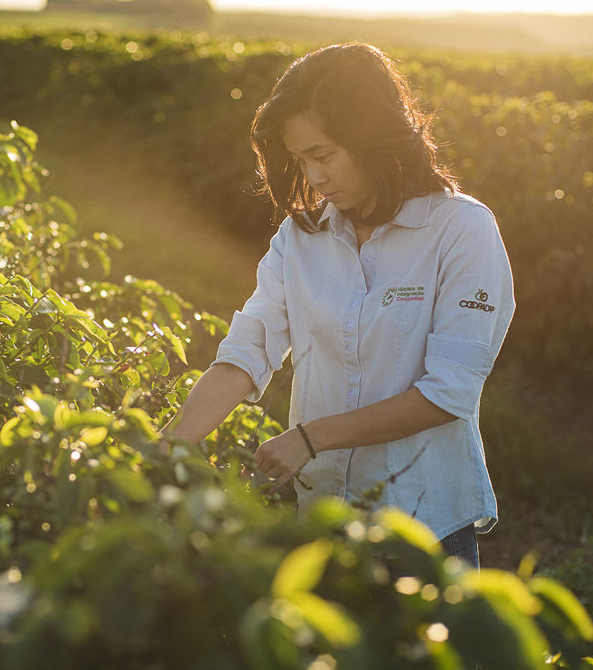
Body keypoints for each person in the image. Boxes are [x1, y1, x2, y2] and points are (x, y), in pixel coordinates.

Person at [161, 42, 515, 568]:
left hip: (425, 531)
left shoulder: (461, 230)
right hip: (323, 520)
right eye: (301, 160)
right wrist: (170, 444)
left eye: (323, 155)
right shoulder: (300, 236)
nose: (314, 177)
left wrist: (310, 438)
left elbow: (449, 393)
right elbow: (249, 349)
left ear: (374, 137)